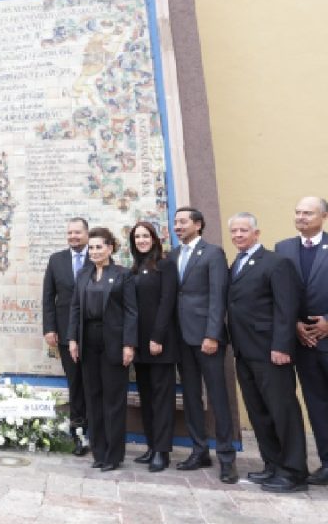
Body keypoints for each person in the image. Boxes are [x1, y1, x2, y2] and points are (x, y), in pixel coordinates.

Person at [227, 212, 308, 492]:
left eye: (243, 230)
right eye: (234, 231)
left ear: (256, 234)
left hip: (270, 352)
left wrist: (281, 347)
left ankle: (294, 471)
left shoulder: (276, 263)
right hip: (244, 351)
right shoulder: (236, 263)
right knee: (259, 412)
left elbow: (286, 309)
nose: (238, 235)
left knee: (282, 410)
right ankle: (272, 464)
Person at [169, 206, 237, 483]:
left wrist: (212, 334)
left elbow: (218, 297)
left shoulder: (213, 253)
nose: (177, 226)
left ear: (198, 225)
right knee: (191, 397)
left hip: (207, 339)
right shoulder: (173, 255)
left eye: (183, 222)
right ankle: (199, 450)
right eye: (175, 222)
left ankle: (226, 457)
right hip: (182, 339)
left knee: (218, 397)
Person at [68, 227, 137, 471]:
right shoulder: (84, 275)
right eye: (92, 247)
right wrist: (73, 339)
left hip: (114, 343)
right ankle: (99, 452)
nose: (95, 251)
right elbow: (75, 308)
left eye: (99, 247)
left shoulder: (122, 274)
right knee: (93, 398)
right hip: (88, 341)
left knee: (113, 400)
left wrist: (129, 344)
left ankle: (113, 455)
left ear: (110, 248)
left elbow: (131, 311)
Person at [275, 196, 328, 485]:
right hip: (304, 343)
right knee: (317, 405)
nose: (301, 217)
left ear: (324, 216)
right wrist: (294, 323)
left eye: (308, 213)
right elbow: (279, 293)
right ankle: (327, 463)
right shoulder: (283, 248)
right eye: (297, 212)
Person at [128, 221, 178, 472]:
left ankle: (163, 451)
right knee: (146, 398)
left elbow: (167, 301)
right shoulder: (135, 269)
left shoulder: (165, 265)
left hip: (160, 344)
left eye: (145, 236)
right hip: (139, 345)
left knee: (161, 399)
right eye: (137, 237)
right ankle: (151, 446)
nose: (141, 240)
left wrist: (157, 337)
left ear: (154, 238)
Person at [42, 217, 90, 455]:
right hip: (64, 332)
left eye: (78, 232)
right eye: (70, 232)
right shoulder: (56, 260)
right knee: (75, 384)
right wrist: (49, 328)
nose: (73, 236)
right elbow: (48, 297)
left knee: (92, 383)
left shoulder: (99, 255)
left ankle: (96, 432)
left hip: (93, 333)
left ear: (87, 234)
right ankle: (78, 434)